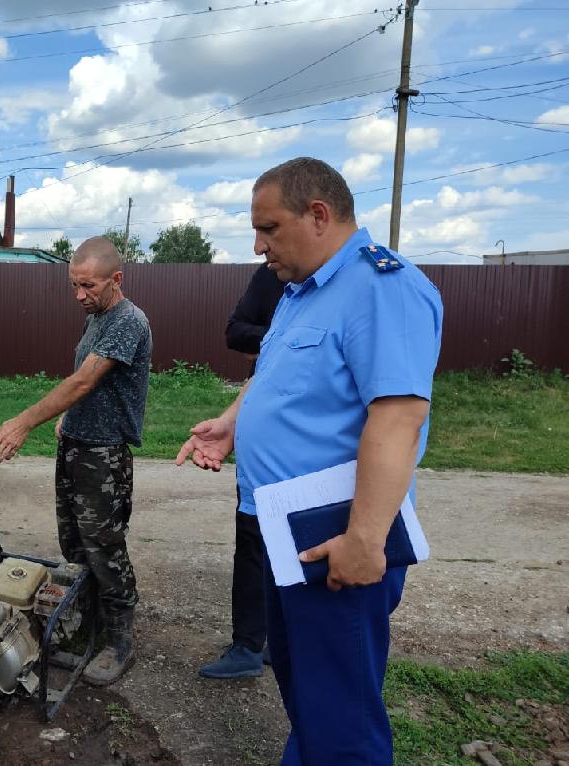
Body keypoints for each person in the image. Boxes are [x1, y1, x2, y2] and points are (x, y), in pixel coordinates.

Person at [177, 157, 443, 765]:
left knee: (341, 713)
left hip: (336, 535)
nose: (258, 244)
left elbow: (399, 419)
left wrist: (364, 540)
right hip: (284, 528)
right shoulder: (302, 291)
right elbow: (277, 377)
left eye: (269, 228)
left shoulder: (383, 287)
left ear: (318, 215)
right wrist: (231, 425)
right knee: (306, 690)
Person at [0, 236, 152, 686]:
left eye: (88, 286)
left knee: (104, 546)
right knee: (74, 542)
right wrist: (68, 421)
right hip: (76, 444)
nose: (79, 295)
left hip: (104, 454)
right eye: (74, 286)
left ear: (116, 280)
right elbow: (88, 386)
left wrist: (25, 422)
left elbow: (83, 382)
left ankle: (119, 638)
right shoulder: (97, 317)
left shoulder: (128, 321)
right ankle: (88, 624)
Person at [198, 263, 283, 680]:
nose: (259, 246)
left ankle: (282, 641)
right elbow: (236, 332)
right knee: (252, 540)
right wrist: (278, 339)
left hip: (311, 461)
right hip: (259, 440)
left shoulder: (357, 285)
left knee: (295, 545)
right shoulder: (272, 276)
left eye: (268, 229)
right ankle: (249, 644)